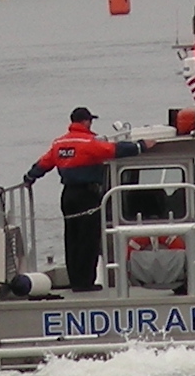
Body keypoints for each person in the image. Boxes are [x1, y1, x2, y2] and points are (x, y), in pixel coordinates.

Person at [19, 106, 125, 293]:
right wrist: (141, 145)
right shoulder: (89, 142)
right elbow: (113, 150)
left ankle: (75, 279)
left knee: (72, 237)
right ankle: (85, 283)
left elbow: (44, 163)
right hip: (88, 195)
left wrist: (29, 177)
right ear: (86, 121)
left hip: (68, 195)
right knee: (88, 238)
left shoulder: (59, 143)